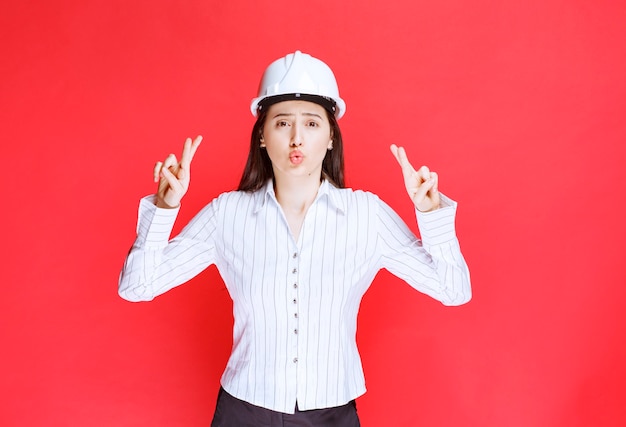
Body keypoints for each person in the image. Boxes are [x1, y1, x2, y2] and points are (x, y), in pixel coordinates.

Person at [119, 50, 471, 426]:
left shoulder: (366, 215)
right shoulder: (228, 214)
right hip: (244, 411)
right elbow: (137, 286)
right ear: (262, 137)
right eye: (283, 123)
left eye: (313, 124)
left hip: (332, 414)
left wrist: (431, 215)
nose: (297, 138)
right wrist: (164, 207)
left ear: (332, 138)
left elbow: (453, 291)